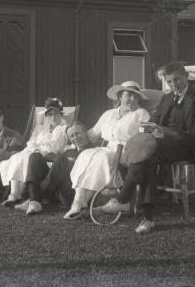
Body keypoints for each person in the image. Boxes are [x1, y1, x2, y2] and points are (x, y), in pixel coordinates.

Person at [100, 61, 195, 234]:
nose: (173, 84)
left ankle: (123, 198)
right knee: (147, 158)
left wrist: (170, 133)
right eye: (169, 82)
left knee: (148, 151)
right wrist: (149, 130)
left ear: (186, 77)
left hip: (188, 147)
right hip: (161, 145)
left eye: (177, 80)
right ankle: (148, 218)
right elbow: (153, 122)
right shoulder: (166, 98)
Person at [64, 81, 150, 220]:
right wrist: (73, 143)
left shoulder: (141, 113)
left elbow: (143, 137)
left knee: (101, 156)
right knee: (86, 153)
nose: (132, 99)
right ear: (120, 96)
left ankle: (81, 202)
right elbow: (92, 134)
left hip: (127, 152)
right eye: (129, 95)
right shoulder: (109, 114)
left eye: (136, 96)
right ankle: (79, 202)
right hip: (108, 149)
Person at [0, 97, 69, 214]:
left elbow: (63, 147)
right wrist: (36, 149)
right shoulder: (40, 128)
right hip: (34, 152)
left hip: (49, 158)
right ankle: (15, 193)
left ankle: (26, 197)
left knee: (29, 158)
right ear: (46, 115)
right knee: (17, 157)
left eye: (56, 114)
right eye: (50, 114)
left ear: (61, 114)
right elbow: (31, 142)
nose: (53, 117)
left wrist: (45, 152)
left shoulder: (65, 128)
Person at [35, 121, 93, 212]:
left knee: (60, 158)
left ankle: (36, 197)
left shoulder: (93, 151)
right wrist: (45, 155)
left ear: (85, 132)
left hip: (74, 193)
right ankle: (36, 195)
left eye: (77, 134)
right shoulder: (70, 152)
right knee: (35, 157)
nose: (75, 138)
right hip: (59, 190)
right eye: (72, 136)